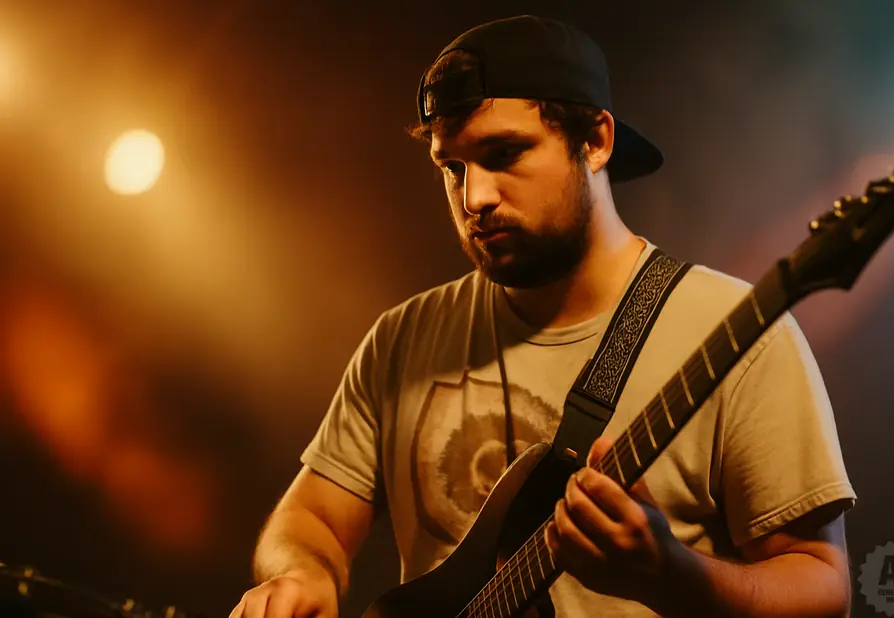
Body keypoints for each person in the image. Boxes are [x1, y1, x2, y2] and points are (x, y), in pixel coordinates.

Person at [230, 14, 857, 618]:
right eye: (453, 168)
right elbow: (309, 517)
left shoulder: (738, 331)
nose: (474, 197)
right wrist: (300, 570)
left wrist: (672, 576)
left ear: (596, 141)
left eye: (504, 154)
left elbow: (822, 587)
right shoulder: (401, 338)